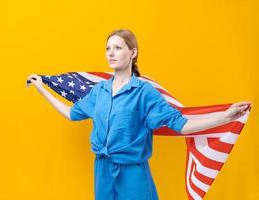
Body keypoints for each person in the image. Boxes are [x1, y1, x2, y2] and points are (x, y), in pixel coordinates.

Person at [27, 29, 251, 200]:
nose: (111, 53)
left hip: (133, 174)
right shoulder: (99, 91)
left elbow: (180, 125)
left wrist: (226, 118)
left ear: (133, 52)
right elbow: (71, 113)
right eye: (108, 48)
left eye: (118, 48)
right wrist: (42, 90)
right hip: (103, 170)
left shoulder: (145, 93)